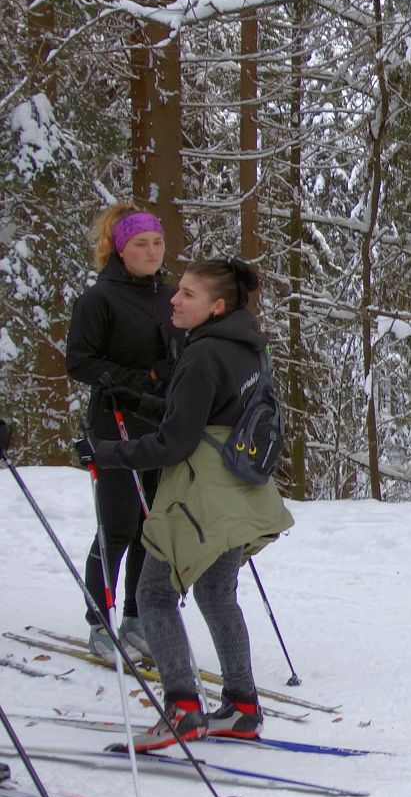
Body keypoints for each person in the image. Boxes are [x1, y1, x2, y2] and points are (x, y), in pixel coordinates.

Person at [80, 257, 293, 752]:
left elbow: (174, 443)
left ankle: (182, 709)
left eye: (188, 294)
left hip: (200, 496)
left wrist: (104, 453)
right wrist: (137, 400)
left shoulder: (201, 356)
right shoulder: (248, 347)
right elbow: (205, 414)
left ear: (216, 306)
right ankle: (242, 707)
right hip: (241, 490)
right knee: (217, 593)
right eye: (178, 290)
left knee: (154, 594)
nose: (174, 300)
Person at [64, 202, 178, 661]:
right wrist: (142, 378)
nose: (151, 251)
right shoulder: (100, 299)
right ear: (120, 249)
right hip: (115, 423)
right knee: (116, 525)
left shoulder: (170, 294)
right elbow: (80, 362)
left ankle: (136, 617)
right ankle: (99, 622)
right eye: (140, 244)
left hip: (162, 422)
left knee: (151, 525)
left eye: (157, 242)